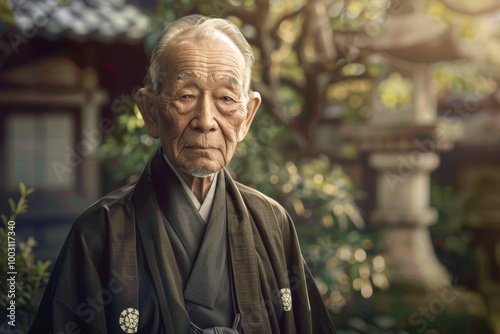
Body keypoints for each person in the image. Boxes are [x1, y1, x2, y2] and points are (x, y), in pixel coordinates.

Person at [28, 14, 336, 334]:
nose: (206, 119)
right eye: (186, 95)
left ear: (247, 117)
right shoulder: (100, 231)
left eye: (226, 99)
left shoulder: (273, 222)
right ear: (150, 111)